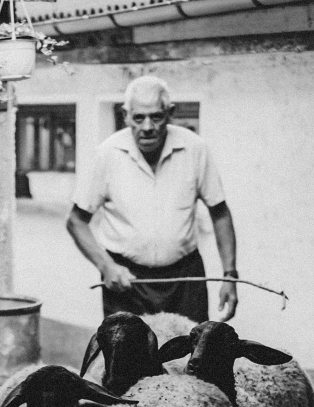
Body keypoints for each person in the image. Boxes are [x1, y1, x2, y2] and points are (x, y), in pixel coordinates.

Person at [66, 74, 238, 323]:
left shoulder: (195, 149)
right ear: (125, 115)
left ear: (170, 113)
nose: (147, 127)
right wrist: (106, 266)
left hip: (185, 280)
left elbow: (220, 213)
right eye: (138, 118)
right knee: (128, 348)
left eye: (156, 117)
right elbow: (76, 221)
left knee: (190, 346)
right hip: (126, 283)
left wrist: (230, 276)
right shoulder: (107, 154)